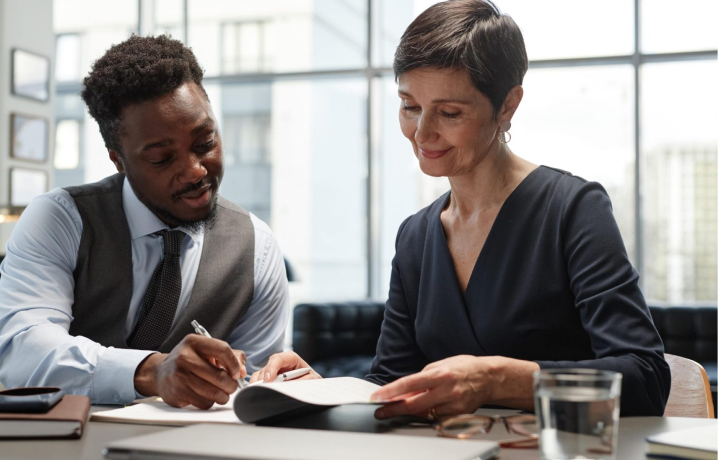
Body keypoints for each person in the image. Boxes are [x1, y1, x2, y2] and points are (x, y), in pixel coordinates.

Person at [252, 0, 670, 418]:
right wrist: (322, 391)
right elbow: (391, 383)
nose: (421, 133)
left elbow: (646, 377)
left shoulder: (572, 210)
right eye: (410, 106)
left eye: (449, 113)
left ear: (507, 106)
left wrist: (496, 379)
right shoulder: (415, 236)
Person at [0, 35, 289, 409]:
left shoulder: (257, 247)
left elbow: (252, 390)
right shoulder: (61, 219)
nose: (196, 171)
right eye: (163, 159)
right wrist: (149, 372)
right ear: (118, 160)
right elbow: (22, 351)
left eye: (205, 143)